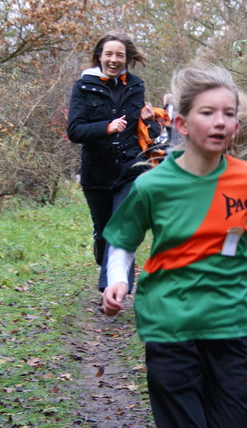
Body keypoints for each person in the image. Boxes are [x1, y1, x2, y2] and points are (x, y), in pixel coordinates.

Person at [102, 64, 247, 427]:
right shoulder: (153, 186)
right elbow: (123, 242)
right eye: (207, 113)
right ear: (182, 124)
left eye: (228, 113)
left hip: (229, 326)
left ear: (236, 126)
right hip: (169, 326)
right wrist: (117, 280)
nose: (220, 121)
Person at [66, 30, 162, 292]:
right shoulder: (84, 87)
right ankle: (103, 251)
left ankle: (113, 287)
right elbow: (74, 131)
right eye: (108, 54)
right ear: (99, 56)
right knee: (104, 229)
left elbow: (146, 133)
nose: (113, 59)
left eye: (119, 55)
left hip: (129, 169)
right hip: (96, 171)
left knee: (123, 225)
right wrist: (106, 128)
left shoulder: (136, 86)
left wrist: (149, 120)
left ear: (126, 58)